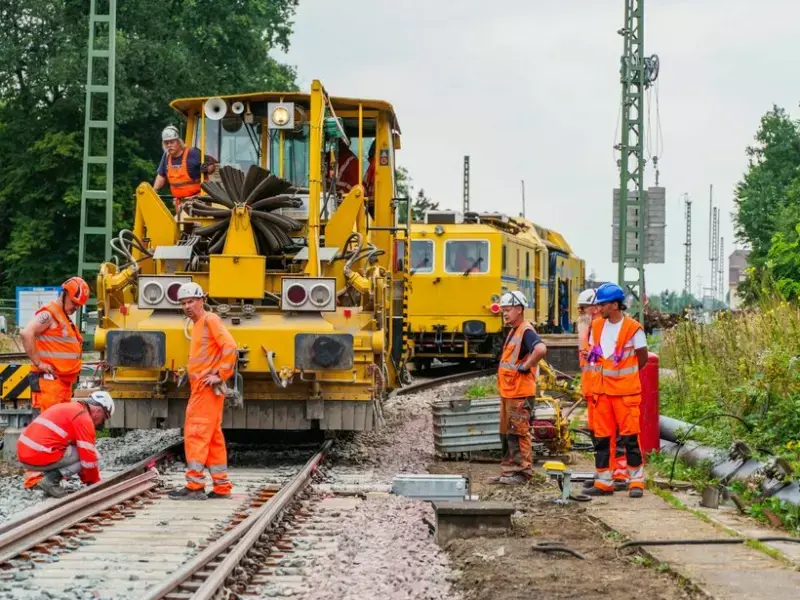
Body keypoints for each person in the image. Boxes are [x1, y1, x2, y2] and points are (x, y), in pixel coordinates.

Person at [169, 282, 237, 500]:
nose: (187, 306)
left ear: (201, 301)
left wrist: (221, 374)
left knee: (196, 433)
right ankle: (221, 486)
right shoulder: (199, 324)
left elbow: (230, 347)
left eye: (191, 301)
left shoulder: (209, 320)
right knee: (214, 437)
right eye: (183, 303)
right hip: (205, 389)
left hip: (205, 389)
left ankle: (195, 486)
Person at [583, 283, 649, 498]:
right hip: (601, 393)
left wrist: (625, 376)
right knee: (602, 439)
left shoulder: (633, 329)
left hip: (626, 393)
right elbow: (596, 355)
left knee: (630, 438)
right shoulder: (596, 327)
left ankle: (636, 480)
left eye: (602, 304)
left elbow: (642, 358)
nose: (598, 308)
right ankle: (604, 482)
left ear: (614, 305)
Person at [489, 290, 547, 485]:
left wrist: (527, 365)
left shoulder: (526, 331)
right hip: (509, 393)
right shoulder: (514, 331)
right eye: (503, 310)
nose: (505, 314)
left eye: (508, 310)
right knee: (506, 434)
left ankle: (523, 473)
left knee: (518, 433)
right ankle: (508, 472)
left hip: (520, 394)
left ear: (520, 309)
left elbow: (540, 349)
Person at [18, 391, 114, 498]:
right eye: (104, 418)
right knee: (93, 454)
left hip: (26, 453)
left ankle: (47, 481)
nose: (102, 422)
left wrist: (86, 479)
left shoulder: (72, 408)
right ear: (98, 411)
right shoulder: (83, 418)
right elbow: (88, 458)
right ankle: (50, 481)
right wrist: (94, 483)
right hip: (39, 453)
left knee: (77, 451)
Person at [20, 277, 89, 412]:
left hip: (61, 386)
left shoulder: (63, 317)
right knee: (47, 429)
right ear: (64, 294)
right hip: (50, 386)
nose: (76, 307)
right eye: (74, 303)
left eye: (78, 305)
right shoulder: (49, 314)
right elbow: (26, 333)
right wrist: (39, 364)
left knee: (58, 429)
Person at [153, 126, 217, 215]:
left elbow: (212, 166)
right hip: (180, 203)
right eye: (166, 143)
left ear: (179, 142)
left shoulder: (193, 153)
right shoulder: (166, 157)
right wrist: (154, 191)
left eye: (172, 142)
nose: (169, 145)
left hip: (198, 202)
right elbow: (161, 176)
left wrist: (207, 168)